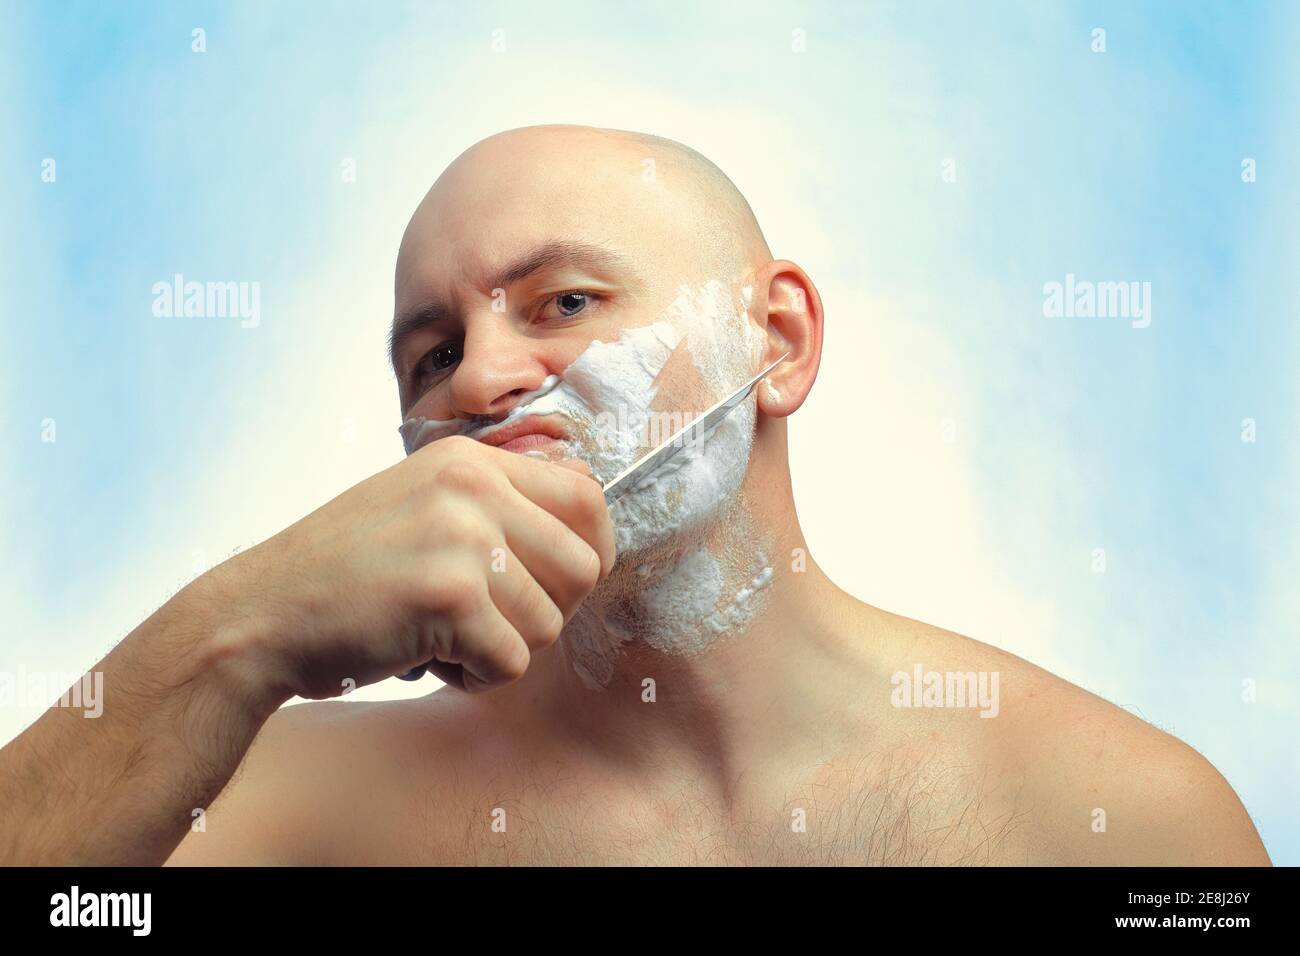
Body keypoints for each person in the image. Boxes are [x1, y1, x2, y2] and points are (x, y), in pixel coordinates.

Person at [1, 125, 1270, 866]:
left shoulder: (1117, 816)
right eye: (431, 354)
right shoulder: (273, 815)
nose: (484, 379)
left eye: (563, 303)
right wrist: (235, 634)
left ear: (776, 342)